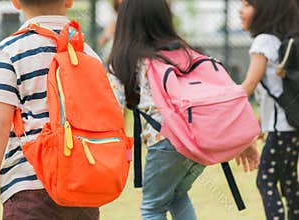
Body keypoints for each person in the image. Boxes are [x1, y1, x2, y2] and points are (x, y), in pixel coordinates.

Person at [108, 0, 259, 219]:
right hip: (197, 138)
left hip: (165, 140)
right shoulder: (187, 53)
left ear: (126, 22)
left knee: (153, 206)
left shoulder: (125, 60)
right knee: (178, 195)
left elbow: (113, 106)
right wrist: (242, 140)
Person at [0, 0, 100, 219]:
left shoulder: (9, 51)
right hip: (81, 187)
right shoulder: (87, 54)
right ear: (69, 1)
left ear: (15, 2)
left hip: (28, 186)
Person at [239, 0, 299, 219]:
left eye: (247, 5)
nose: (240, 10)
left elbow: (250, 84)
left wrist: (223, 106)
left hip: (280, 129)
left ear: (266, 9)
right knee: (289, 181)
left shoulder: (263, 41)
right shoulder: (281, 40)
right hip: (292, 125)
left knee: (266, 181)